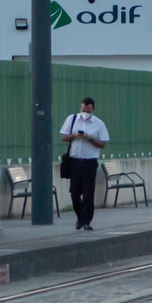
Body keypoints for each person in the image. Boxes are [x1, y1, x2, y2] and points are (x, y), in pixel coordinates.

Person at [60, 97, 109, 230]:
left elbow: (103, 143)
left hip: (90, 162)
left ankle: (86, 220)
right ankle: (80, 216)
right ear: (80, 108)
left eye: (88, 111)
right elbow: (64, 137)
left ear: (93, 109)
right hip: (75, 161)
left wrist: (90, 138)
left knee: (88, 193)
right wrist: (75, 136)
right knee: (74, 192)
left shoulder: (98, 124)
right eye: (83, 110)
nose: (85, 114)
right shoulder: (72, 119)